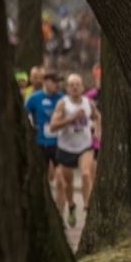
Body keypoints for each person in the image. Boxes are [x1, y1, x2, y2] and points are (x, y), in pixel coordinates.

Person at [48, 73, 102, 227]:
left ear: (83, 87)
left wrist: (98, 132)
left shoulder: (88, 103)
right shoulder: (62, 104)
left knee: (86, 174)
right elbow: (53, 126)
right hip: (66, 148)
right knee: (68, 183)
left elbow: (97, 117)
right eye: (71, 85)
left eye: (78, 84)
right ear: (67, 88)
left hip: (85, 146)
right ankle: (71, 205)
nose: (75, 87)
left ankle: (88, 207)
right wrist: (71, 119)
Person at [25, 71, 64, 210]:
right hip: (40, 143)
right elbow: (24, 116)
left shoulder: (62, 98)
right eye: (54, 82)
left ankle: (60, 213)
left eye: (59, 82)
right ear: (45, 82)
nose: (57, 85)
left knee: (61, 180)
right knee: (42, 181)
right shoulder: (34, 98)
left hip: (59, 144)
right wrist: (31, 130)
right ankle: (42, 209)